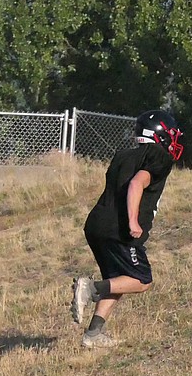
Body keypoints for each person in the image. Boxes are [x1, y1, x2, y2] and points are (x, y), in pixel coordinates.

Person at [71, 109, 184, 348]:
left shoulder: (124, 155)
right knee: (141, 280)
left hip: (96, 225)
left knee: (118, 280)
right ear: (160, 135)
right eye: (171, 134)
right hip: (119, 229)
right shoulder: (159, 157)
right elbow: (136, 184)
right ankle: (90, 288)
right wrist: (133, 221)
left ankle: (93, 334)